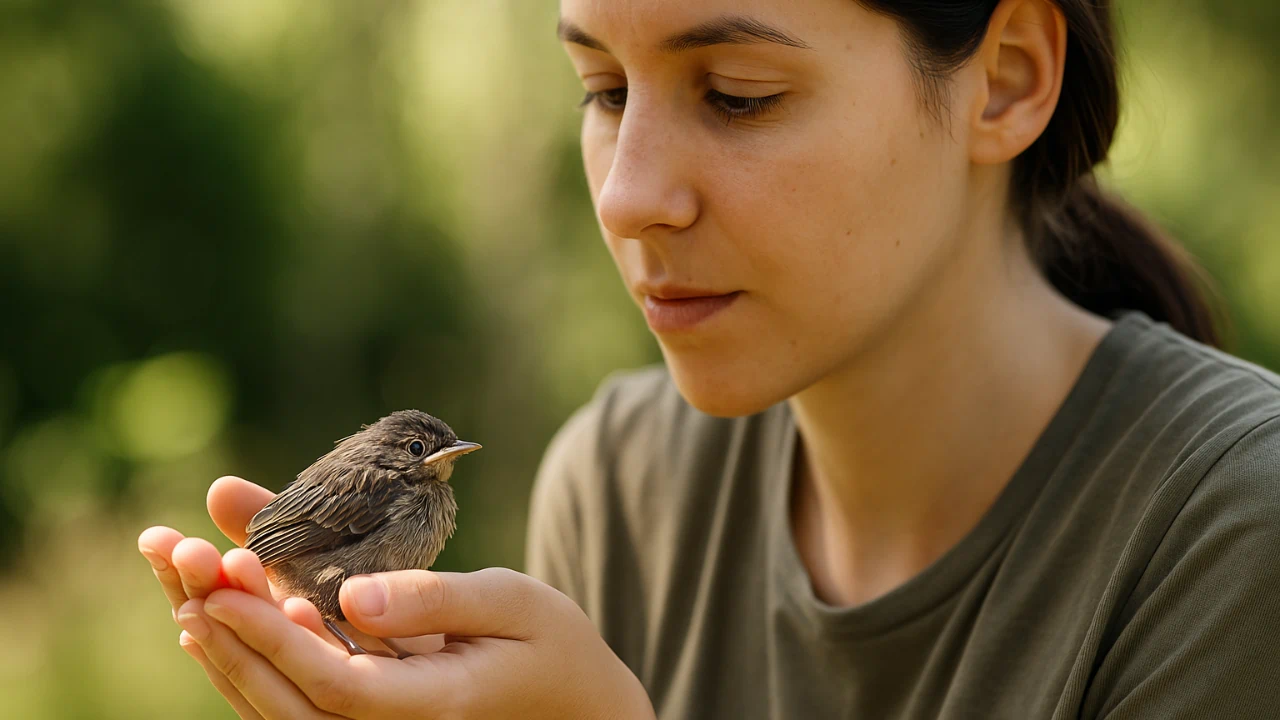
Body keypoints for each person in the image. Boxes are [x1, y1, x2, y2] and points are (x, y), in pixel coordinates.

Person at [138, 0, 1280, 718]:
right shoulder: (621, 487)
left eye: (737, 95)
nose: (628, 195)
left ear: (1009, 76)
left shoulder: (1231, 533)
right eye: (601, 90)